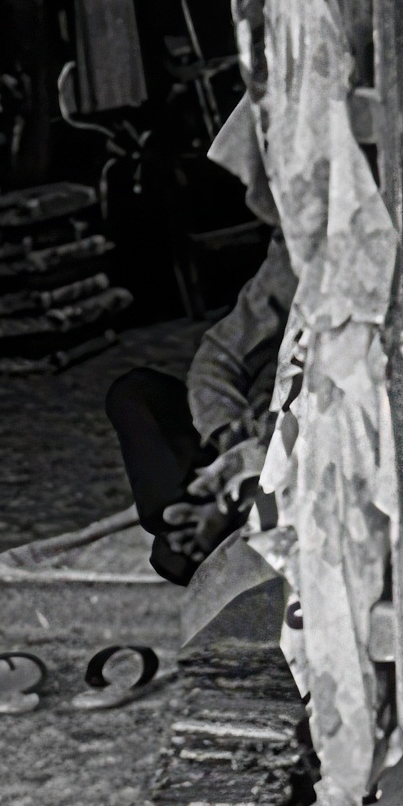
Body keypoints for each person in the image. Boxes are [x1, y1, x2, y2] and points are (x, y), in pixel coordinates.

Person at [107, 100, 294, 587]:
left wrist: (254, 466)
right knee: (135, 392)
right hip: (244, 445)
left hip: (304, 450)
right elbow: (219, 359)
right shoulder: (290, 259)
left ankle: (209, 523)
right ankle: (195, 516)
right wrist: (228, 436)